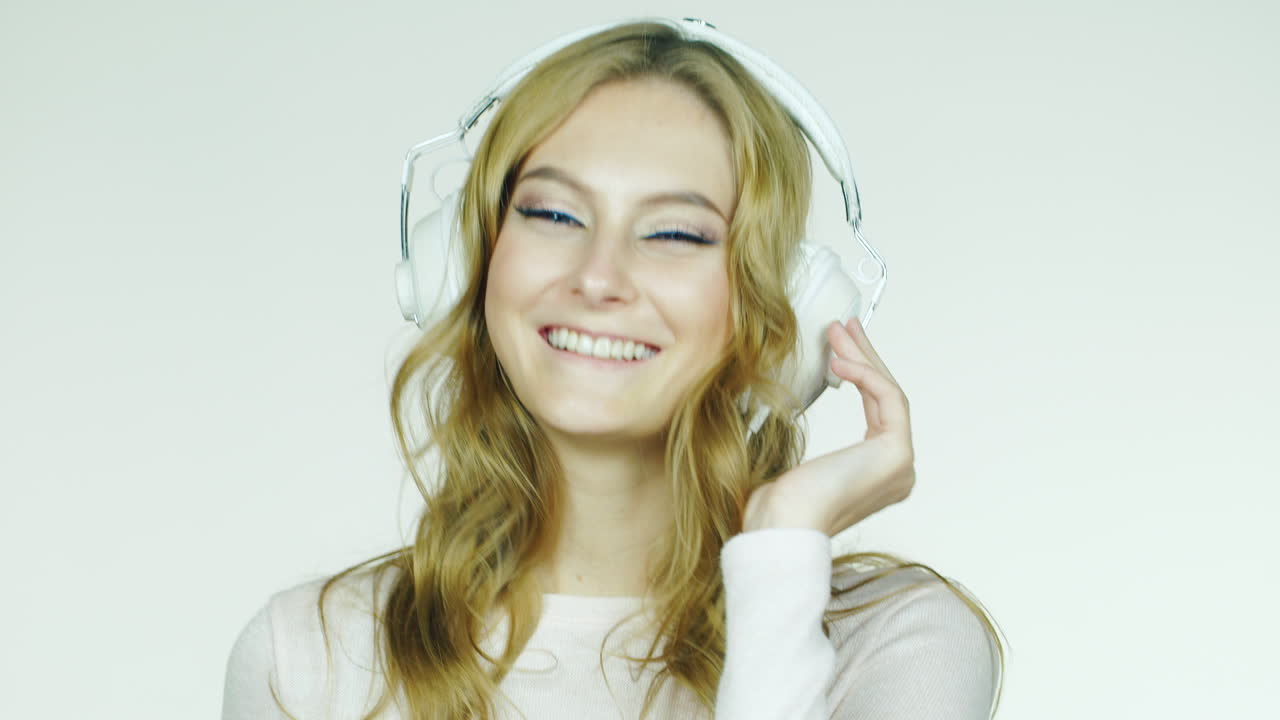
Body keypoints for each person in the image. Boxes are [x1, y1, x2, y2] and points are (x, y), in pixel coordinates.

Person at [222, 18, 1006, 720]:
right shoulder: (308, 660)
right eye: (555, 215)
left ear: (776, 314)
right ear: (468, 264)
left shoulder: (897, 642)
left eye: (674, 233)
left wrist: (779, 546)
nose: (598, 278)